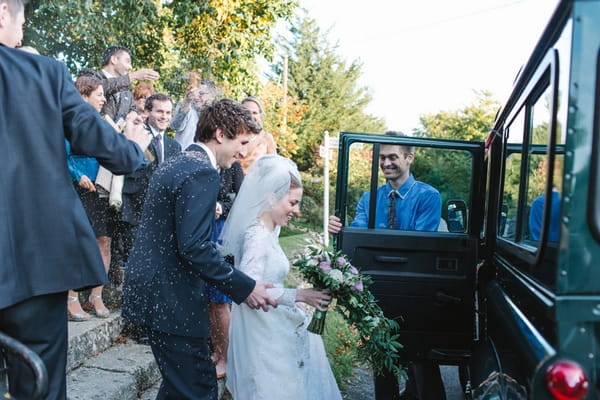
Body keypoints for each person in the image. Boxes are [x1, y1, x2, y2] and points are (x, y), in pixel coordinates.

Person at [0, 1, 152, 399]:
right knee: (40, 384)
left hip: (33, 264)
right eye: (22, 17)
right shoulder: (43, 73)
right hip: (35, 263)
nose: (23, 30)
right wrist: (134, 148)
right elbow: (105, 145)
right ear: (2, 11)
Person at [122, 99, 276, 400]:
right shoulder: (202, 172)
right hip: (171, 301)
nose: (243, 152)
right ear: (220, 135)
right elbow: (193, 247)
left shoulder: (179, 161)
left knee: (178, 389)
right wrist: (246, 287)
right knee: (199, 388)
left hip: (155, 296)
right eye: (241, 142)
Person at [327, 131, 443, 400]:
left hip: (414, 286)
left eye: (392, 156)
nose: (386, 163)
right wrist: (340, 231)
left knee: (420, 356)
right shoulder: (370, 198)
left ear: (409, 158)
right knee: (382, 355)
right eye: (381, 157)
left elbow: (420, 244)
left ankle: (418, 393)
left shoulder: (427, 196)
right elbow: (358, 239)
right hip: (378, 286)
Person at [221, 154, 341, 400]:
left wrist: (295, 299)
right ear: (272, 198)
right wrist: (300, 295)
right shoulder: (256, 236)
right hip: (261, 333)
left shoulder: (270, 230)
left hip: (273, 323)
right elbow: (249, 290)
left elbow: (270, 281)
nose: (296, 211)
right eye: (293, 203)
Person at [114, 93, 181, 282]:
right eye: (159, 111)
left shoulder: (174, 146)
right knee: (137, 265)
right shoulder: (135, 135)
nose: (164, 116)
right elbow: (128, 171)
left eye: (168, 112)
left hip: (163, 217)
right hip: (136, 212)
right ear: (148, 111)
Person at [65, 75, 114, 321]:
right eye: (100, 95)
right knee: (77, 243)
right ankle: (71, 297)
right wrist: (76, 174)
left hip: (102, 189)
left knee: (103, 240)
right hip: (78, 188)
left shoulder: (102, 121)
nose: (104, 99)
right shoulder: (68, 120)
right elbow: (59, 153)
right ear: (83, 95)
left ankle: (96, 295)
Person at [208, 160, 244, 379]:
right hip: (201, 229)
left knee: (220, 299)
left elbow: (244, 200)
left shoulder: (233, 166)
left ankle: (227, 359)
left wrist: (222, 207)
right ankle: (217, 350)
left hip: (222, 231)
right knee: (209, 300)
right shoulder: (199, 161)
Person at [79, 45, 159, 122]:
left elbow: (133, 107)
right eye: (127, 61)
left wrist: (134, 114)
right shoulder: (89, 76)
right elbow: (100, 86)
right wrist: (133, 76)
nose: (130, 67)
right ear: (114, 59)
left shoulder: (126, 90)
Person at [172, 75, 217, 150]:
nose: (196, 97)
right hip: (183, 157)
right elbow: (175, 126)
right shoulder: (185, 105)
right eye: (195, 93)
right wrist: (186, 102)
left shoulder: (217, 113)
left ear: (212, 96)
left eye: (201, 94)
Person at [238, 96, 277, 174]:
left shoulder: (266, 138)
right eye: (247, 112)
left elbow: (274, 168)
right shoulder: (232, 136)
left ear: (260, 115)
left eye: (255, 113)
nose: (251, 116)